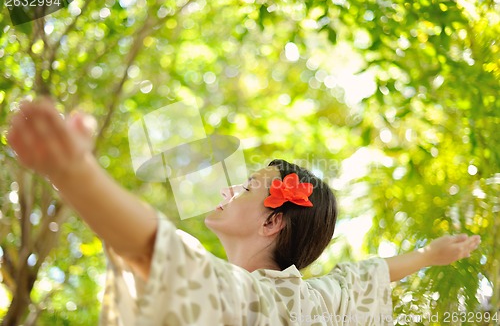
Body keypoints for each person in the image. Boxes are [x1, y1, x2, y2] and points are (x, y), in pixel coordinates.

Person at [6, 97, 481, 325]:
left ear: (273, 220)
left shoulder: (257, 300)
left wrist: (75, 173)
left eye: (251, 184)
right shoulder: (321, 298)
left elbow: (159, 252)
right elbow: (370, 274)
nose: (231, 186)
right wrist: (428, 256)